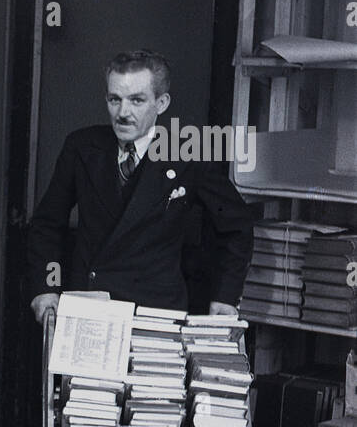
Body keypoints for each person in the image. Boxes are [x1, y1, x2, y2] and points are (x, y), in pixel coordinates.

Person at [27, 50, 253, 321]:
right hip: (90, 307)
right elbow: (46, 224)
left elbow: (237, 226)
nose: (123, 113)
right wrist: (47, 286)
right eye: (115, 100)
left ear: (162, 102)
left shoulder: (187, 153)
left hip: (155, 314)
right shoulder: (82, 147)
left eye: (136, 100)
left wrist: (226, 296)